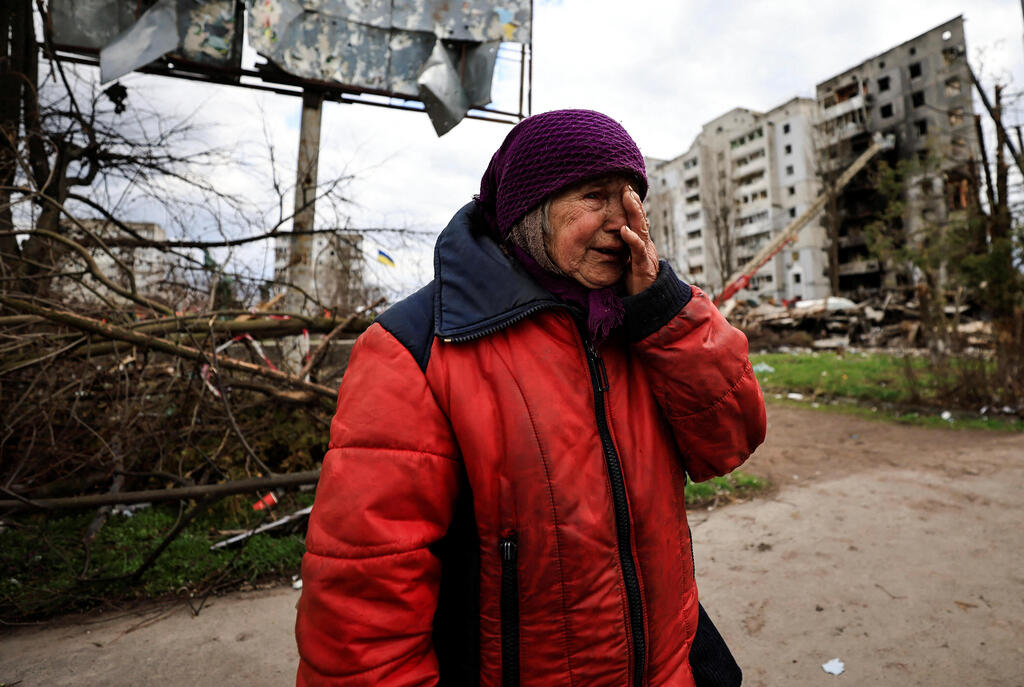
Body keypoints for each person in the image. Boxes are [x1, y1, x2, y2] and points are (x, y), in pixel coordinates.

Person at [295, 109, 766, 686]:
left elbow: (729, 441)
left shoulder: (638, 320)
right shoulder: (417, 347)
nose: (625, 225)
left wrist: (667, 312)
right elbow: (364, 603)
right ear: (527, 209)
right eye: (595, 196)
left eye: (633, 199)